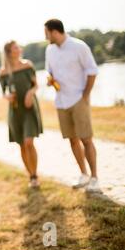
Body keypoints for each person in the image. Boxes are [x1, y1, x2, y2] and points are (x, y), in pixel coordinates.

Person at [44, 19, 100, 192]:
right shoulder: (50, 50)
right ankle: (83, 175)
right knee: (72, 139)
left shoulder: (79, 46)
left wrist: (85, 95)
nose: (45, 36)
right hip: (61, 102)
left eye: (46, 32)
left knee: (86, 139)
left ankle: (95, 178)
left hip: (78, 100)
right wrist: (51, 81)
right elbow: (50, 72)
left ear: (54, 32)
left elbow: (92, 71)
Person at [0, 40, 43, 188]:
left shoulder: (27, 65)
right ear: (9, 52)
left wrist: (30, 93)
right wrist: (7, 97)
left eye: (18, 47)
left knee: (29, 142)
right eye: (15, 48)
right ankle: (31, 176)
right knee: (22, 145)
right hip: (15, 110)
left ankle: (35, 173)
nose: (19, 49)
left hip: (29, 108)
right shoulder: (3, 72)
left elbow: (36, 85)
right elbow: (3, 92)